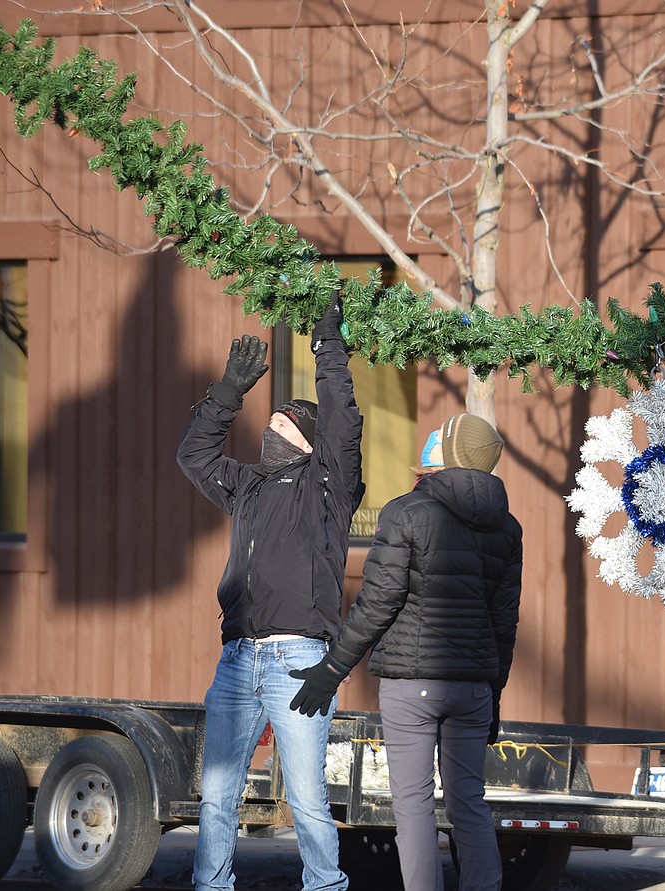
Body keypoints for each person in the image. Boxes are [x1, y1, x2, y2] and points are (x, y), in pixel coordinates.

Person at [176, 295, 364, 891]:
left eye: (284, 424)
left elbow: (342, 420)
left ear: (309, 444)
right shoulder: (248, 488)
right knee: (217, 798)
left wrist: (327, 344)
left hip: (299, 662)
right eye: (272, 421)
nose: (272, 430)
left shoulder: (328, 488)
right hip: (237, 661)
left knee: (307, 802)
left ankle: (325, 886)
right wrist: (228, 392)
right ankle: (212, 885)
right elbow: (193, 455)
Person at [289, 412, 522, 891]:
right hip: (474, 685)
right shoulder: (508, 528)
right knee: (468, 803)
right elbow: (504, 622)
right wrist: (493, 692)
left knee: (413, 806)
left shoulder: (406, 513)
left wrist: (333, 667)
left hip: (411, 682)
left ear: (441, 460)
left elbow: (378, 601)